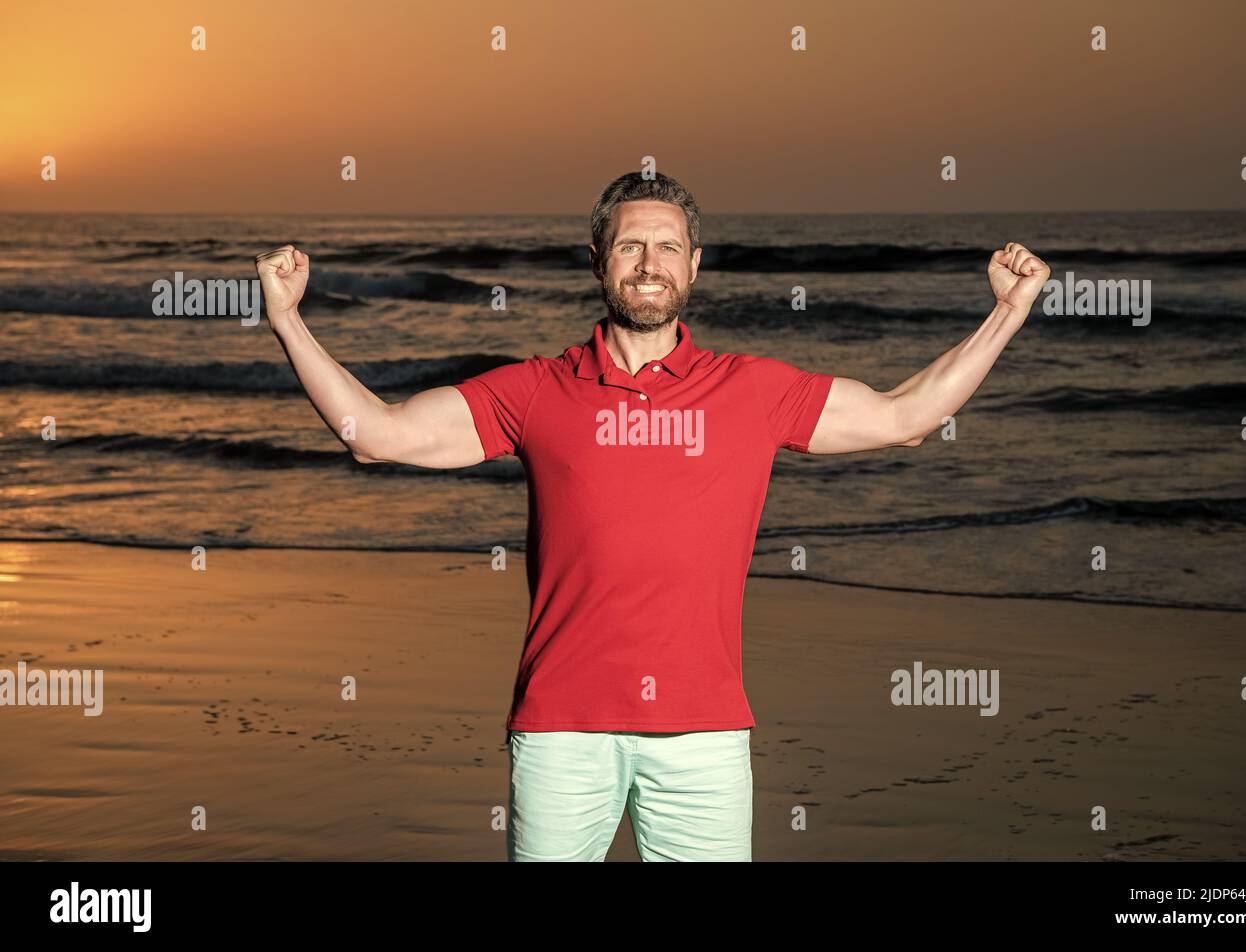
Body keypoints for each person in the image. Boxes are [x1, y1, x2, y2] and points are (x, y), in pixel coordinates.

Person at [253, 171, 1049, 861]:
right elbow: (378, 438)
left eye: (668, 247)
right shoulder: (535, 391)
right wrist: (288, 317)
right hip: (563, 730)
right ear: (599, 261)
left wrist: (1009, 312)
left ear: (694, 265)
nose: (649, 264)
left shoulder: (750, 390)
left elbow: (906, 416)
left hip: (704, 735)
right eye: (631, 246)